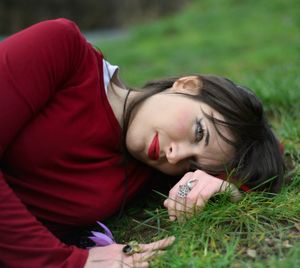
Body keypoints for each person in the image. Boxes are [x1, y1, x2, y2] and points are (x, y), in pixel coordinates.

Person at [0, 18, 284, 268]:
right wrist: (65, 262)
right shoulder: (62, 49)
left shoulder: (147, 173)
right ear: (188, 85)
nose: (175, 156)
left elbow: (259, 174)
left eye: (192, 162)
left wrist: (227, 189)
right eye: (198, 132)